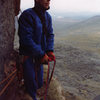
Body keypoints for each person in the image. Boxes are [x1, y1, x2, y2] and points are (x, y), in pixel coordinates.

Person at [18, 0, 55, 100]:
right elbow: (26, 39)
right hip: (28, 57)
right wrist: (41, 54)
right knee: (31, 85)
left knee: (38, 83)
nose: (48, 0)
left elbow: (50, 35)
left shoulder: (48, 17)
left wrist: (49, 50)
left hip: (39, 57)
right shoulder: (27, 16)